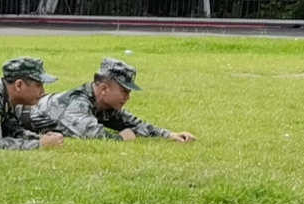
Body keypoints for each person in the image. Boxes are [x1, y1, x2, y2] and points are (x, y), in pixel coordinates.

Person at [38, 57, 197, 142]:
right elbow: (93, 135)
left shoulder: (103, 103)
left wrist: (169, 135)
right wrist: (122, 138)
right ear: (104, 89)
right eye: (123, 91)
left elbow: (134, 123)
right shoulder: (78, 103)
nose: (127, 97)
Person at [0, 57, 66, 151]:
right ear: (19, 85)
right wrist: (39, 144)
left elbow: (13, 130)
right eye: (38, 85)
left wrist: (42, 138)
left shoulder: (7, 96)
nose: (43, 91)